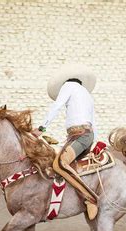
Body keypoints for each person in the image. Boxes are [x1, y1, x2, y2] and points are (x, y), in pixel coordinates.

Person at [33, 64, 99, 220]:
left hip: (80, 136)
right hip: (85, 136)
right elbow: (94, 120)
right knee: (61, 164)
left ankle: (90, 199)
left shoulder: (68, 86)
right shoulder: (87, 95)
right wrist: (94, 142)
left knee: (60, 164)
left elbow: (57, 106)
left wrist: (41, 129)